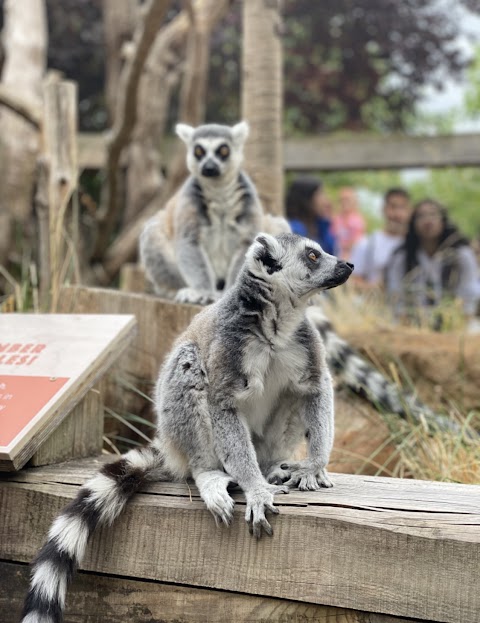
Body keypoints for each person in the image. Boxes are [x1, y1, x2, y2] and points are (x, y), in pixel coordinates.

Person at [385, 198, 479, 328]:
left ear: (443, 220)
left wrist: (457, 322)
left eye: (433, 214)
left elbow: (469, 294)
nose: (428, 220)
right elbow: (395, 296)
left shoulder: (461, 254)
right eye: (421, 216)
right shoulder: (402, 256)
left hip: (455, 325)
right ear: (413, 223)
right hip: (412, 326)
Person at [350, 187, 412, 290]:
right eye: (393, 207)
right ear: (383, 209)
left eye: (402, 207)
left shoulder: (416, 243)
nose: (397, 214)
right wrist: (373, 289)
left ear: (410, 211)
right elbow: (353, 280)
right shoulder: (366, 243)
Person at [286, 177, 337, 255]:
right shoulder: (293, 231)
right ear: (306, 199)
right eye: (319, 194)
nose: (325, 200)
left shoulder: (321, 226)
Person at [331, 187, 365, 260]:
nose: (344, 203)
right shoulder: (336, 218)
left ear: (354, 202)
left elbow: (357, 239)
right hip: (336, 252)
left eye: (347, 200)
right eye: (342, 200)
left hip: (352, 255)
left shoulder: (357, 219)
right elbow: (332, 235)